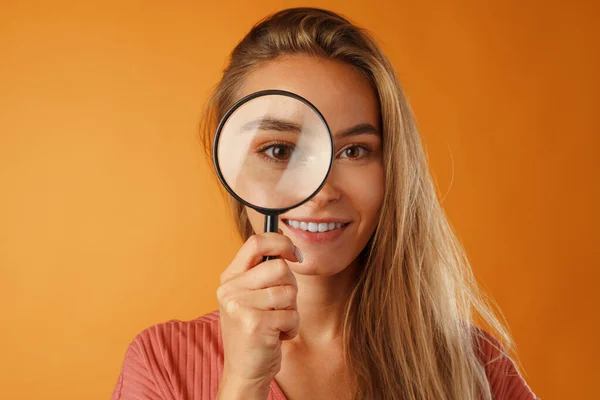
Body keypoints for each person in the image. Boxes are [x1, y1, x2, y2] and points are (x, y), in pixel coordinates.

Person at [111, 7, 538, 400]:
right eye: (279, 150)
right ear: (232, 168)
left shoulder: (477, 367)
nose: (320, 191)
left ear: (394, 169)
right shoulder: (161, 364)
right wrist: (242, 383)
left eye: (354, 151)